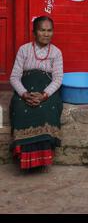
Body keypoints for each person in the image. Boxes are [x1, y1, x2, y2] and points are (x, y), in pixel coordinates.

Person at [10, 16, 63, 170]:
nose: (46, 34)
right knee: (20, 108)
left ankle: (42, 159)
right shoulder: (24, 50)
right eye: (42, 30)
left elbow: (58, 79)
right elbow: (14, 77)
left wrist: (44, 95)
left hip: (46, 91)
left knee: (48, 109)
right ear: (34, 32)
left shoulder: (56, 53)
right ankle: (25, 157)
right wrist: (24, 94)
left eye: (49, 30)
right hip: (26, 90)